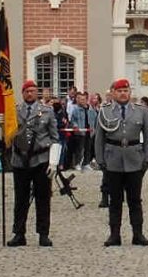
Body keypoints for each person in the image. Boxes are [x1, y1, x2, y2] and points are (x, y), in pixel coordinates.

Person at [94, 78, 148, 246]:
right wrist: (100, 159)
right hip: (113, 159)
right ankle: (115, 234)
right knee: (115, 200)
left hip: (135, 159)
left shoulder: (140, 111)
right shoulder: (105, 111)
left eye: (125, 91)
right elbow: (99, 137)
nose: (122, 94)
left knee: (135, 199)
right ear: (113, 93)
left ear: (130, 93)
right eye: (119, 91)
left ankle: (138, 233)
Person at [7, 79, 58, 248]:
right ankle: (19, 233)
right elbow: (8, 135)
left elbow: (55, 138)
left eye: (33, 91)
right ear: (23, 94)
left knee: (43, 198)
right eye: (27, 91)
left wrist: (54, 162)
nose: (30, 94)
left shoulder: (47, 111)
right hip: (20, 161)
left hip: (41, 160)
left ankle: (43, 233)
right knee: (20, 199)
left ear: (37, 93)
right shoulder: (14, 111)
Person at [68, 91, 93, 170]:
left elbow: (94, 118)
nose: (82, 101)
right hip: (80, 132)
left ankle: (86, 163)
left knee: (88, 148)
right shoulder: (76, 109)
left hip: (89, 131)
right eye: (81, 99)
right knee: (79, 148)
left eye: (84, 99)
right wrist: (75, 126)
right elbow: (73, 120)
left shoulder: (90, 109)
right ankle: (77, 163)